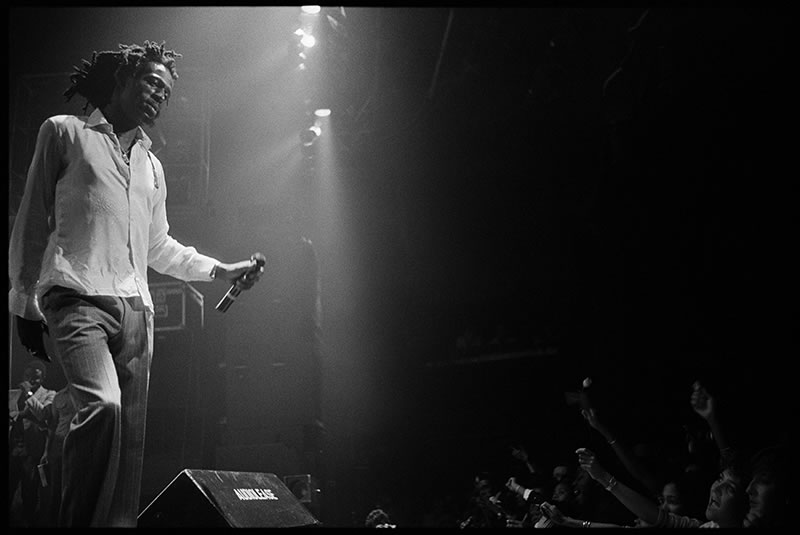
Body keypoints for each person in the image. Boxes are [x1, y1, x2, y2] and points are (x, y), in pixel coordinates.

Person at [8, 40, 264, 527]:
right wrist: (22, 304)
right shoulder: (65, 133)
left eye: (166, 93)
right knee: (102, 406)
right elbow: (30, 223)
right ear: (123, 79)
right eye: (151, 82)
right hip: (75, 296)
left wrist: (220, 270)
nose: (158, 97)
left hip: (135, 312)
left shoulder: (152, 166)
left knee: (127, 447)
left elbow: (159, 247)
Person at [8, 360, 56, 527]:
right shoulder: (15, 394)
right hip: (13, 446)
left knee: (29, 490)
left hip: (32, 449)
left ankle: (28, 522)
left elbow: (43, 415)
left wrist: (29, 393)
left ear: (42, 379)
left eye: (36, 378)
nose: (31, 380)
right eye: (28, 377)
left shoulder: (50, 394)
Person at [39, 384, 79, 527]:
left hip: (78, 445)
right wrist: (46, 451)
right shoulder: (59, 396)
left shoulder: (86, 394)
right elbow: (53, 424)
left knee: (74, 487)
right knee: (55, 487)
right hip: (59, 443)